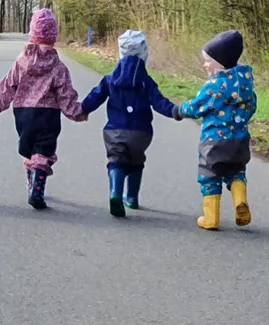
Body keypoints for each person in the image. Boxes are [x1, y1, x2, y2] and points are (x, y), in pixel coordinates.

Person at [0, 9, 85, 210]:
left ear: (32, 34)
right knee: (44, 150)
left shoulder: (21, 62)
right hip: (48, 114)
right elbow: (65, 93)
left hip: (24, 113)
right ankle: (37, 185)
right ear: (53, 37)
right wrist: (76, 112)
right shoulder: (58, 66)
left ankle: (32, 182)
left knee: (30, 148)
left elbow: (8, 85)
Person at [81, 30, 180, 217]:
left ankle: (115, 193)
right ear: (144, 53)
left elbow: (96, 96)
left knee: (116, 161)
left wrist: (82, 110)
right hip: (141, 132)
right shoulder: (146, 81)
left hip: (115, 131)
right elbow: (159, 102)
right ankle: (132, 198)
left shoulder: (110, 79)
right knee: (136, 162)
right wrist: (175, 111)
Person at [173, 30, 256, 230]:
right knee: (236, 172)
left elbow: (197, 106)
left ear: (221, 61)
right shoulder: (245, 85)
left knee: (209, 175)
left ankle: (211, 218)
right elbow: (252, 106)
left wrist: (179, 110)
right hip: (240, 140)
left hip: (214, 142)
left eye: (209, 61)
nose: (205, 65)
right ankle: (240, 201)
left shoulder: (215, 86)